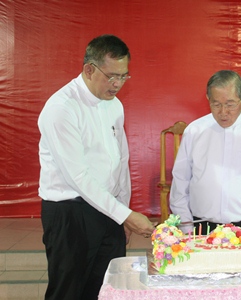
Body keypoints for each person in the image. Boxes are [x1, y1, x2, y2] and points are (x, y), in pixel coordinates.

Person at [38, 34, 155, 300]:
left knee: (108, 289)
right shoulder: (62, 108)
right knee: (69, 291)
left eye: (124, 76)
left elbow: (120, 159)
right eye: (112, 76)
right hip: (71, 214)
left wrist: (121, 211)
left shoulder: (114, 105)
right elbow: (77, 176)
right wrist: (124, 215)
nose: (117, 84)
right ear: (89, 69)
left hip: (108, 209)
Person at [170, 70, 241, 235]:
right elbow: (180, 183)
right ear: (208, 99)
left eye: (230, 104)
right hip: (202, 227)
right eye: (216, 104)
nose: (223, 112)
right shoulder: (194, 131)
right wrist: (186, 227)